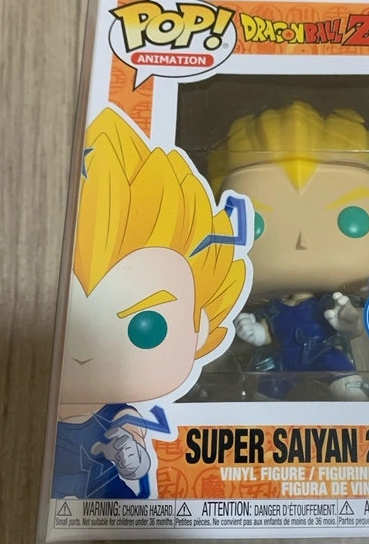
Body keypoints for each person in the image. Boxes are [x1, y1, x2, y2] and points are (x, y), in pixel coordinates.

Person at [53, 107, 251, 498]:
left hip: (105, 505)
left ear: (200, 328)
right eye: (62, 321)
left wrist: (129, 456)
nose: (84, 352)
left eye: (146, 327)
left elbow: (140, 462)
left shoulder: (122, 418)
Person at [209, 100, 369, 400]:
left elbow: (351, 327)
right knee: (263, 390)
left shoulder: (329, 302)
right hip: (283, 362)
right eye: (255, 223)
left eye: (351, 221)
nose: (302, 241)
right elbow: (269, 333)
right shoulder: (274, 308)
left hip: (325, 355)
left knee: (343, 380)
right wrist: (256, 333)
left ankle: (357, 404)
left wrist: (350, 322)